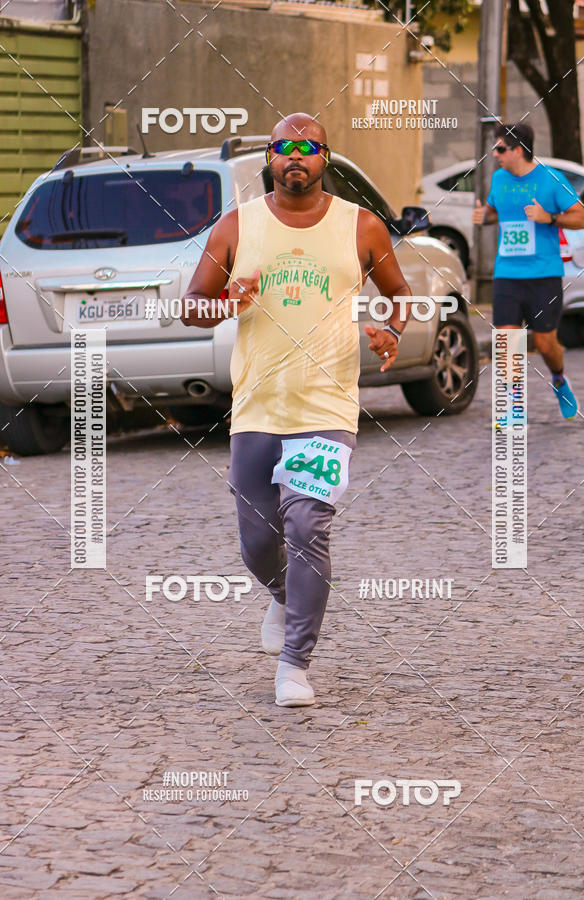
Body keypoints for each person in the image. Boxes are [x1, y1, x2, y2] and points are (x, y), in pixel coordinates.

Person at [181, 112, 412, 706]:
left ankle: (295, 665)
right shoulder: (236, 226)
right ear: (270, 159)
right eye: (283, 147)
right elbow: (191, 308)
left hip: (328, 407)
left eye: (308, 147)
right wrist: (227, 303)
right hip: (257, 407)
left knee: (307, 527)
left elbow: (398, 295)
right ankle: (284, 597)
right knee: (258, 542)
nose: (295, 156)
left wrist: (386, 328)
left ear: (325, 158)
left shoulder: (361, 227)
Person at [473, 122, 584, 419]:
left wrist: (548, 217)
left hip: (543, 276)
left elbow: (581, 218)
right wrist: (484, 216)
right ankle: (514, 407)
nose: (495, 155)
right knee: (506, 341)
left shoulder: (551, 179)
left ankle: (560, 380)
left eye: (500, 149)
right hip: (507, 275)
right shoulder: (499, 179)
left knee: (545, 344)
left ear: (518, 151)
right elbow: (496, 210)